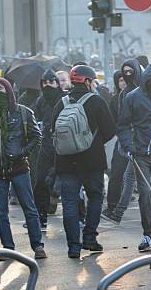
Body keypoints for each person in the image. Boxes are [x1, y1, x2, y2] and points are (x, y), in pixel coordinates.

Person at [51, 66, 115, 259]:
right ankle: (89, 238)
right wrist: (93, 142)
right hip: (92, 162)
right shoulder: (96, 102)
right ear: (88, 81)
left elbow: (53, 129)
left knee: (69, 203)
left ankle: (73, 247)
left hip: (65, 162)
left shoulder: (61, 103)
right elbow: (110, 130)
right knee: (95, 197)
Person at [113, 63, 151, 252]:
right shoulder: (132, 97)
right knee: (146, 195)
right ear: (146, 81)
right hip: (141, 155)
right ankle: (148, 234)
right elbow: (123, 125)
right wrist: (128, 146)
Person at [0, 78, 46, 260]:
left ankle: (37, 245)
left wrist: (23, 152)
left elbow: (37, 137)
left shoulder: (23, 112)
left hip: (20, 167)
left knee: (29, 208)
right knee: (0, 212)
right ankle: (7, 248)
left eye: (0, 88)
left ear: (8, 90)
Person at [103, 59, 141, 215]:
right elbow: (114, 121)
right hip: (124, 141)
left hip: (141, 140)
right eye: (121, 79)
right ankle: (113, 206)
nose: (124, 81)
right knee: (117, 173)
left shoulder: (141, 94)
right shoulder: (117, 99)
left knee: (144, 178)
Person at [33, 70, 65, 229]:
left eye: (51, 82)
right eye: (44, 83)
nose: (47, 86)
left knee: (68, 183)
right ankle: (41, 215)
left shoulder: (66, 99)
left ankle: (79, 215)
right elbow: (37, 120)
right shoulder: (40, 101)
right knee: (40, 182)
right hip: (46, 146)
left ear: (57, 83)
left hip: (65, 148)